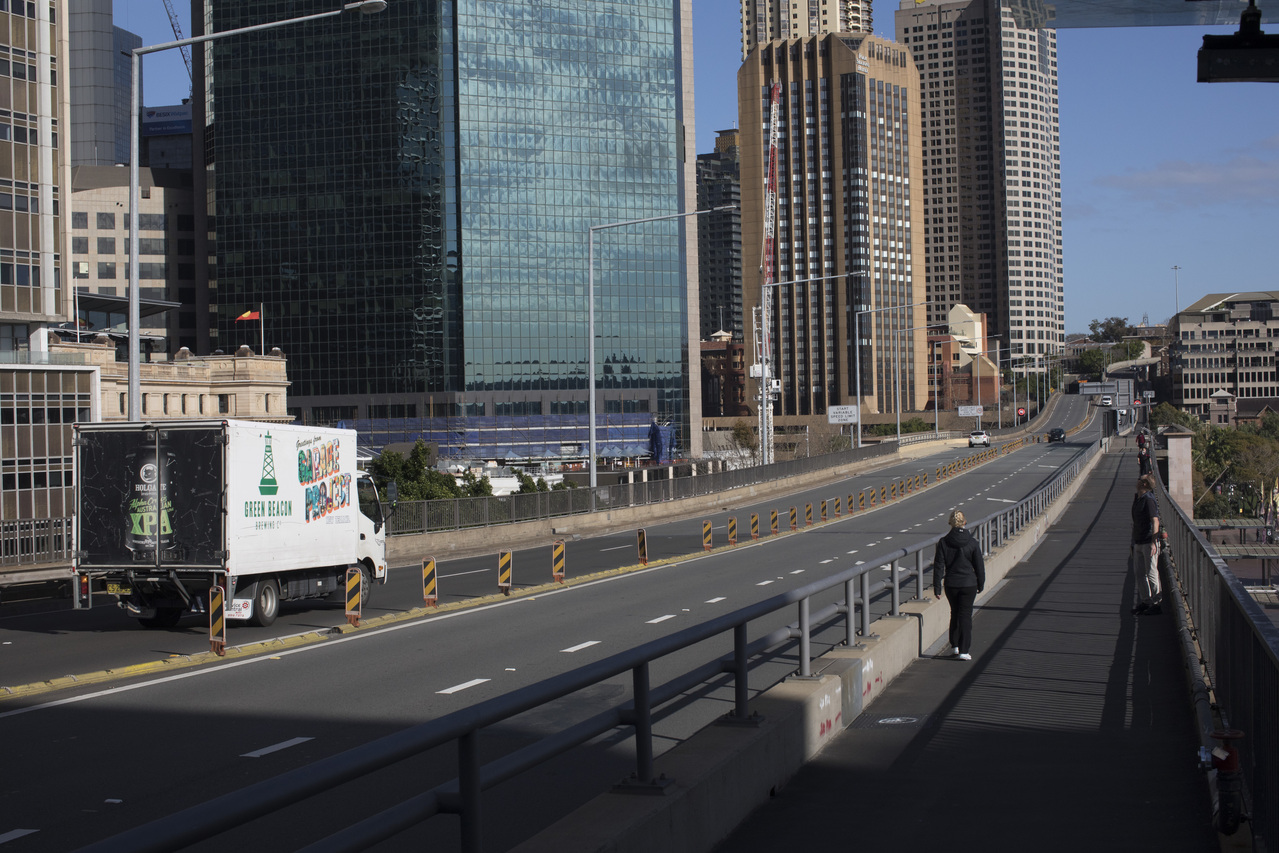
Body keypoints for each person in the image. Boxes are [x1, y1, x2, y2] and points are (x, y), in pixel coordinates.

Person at [933, 509, 986, 660]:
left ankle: (955, 645)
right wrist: (980, 583)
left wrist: (937, 587)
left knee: (955, 612)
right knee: (965, 615)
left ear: (950, 523)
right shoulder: (972, 542)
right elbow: (979, 565)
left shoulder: (943, 542)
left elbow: (939, 565)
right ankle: (964, 650)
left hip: (951, 583)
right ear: (964, 522)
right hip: (969, 583)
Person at [1131, 474, 1162, 615]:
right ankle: (1146, 601)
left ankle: (1156, 603)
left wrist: (1154, 542)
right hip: (1138, 540)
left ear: (1144, 484)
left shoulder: (1149, 500)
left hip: (1148, 542)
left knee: (1151, 573)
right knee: (1139, 573)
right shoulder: (1138, 498)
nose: (1137, 481)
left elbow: (1155, 520)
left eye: (1139, 479)